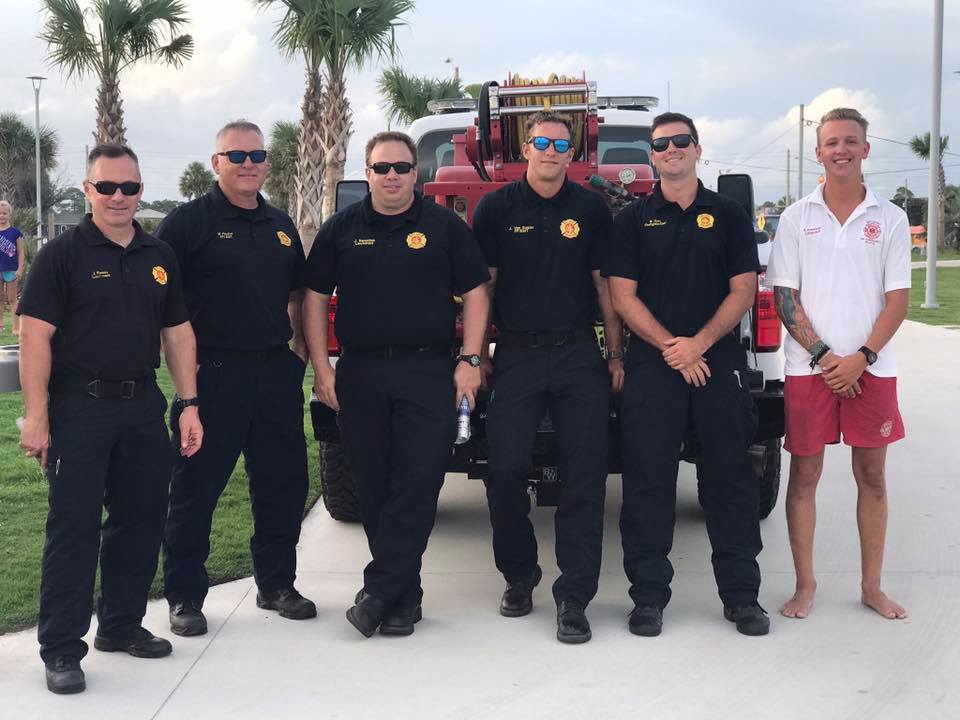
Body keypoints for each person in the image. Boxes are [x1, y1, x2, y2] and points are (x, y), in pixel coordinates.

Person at [17, 144, 203, 695]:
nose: (119, 197)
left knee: (142, 520)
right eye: (107, 188)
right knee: (73, 528)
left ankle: (120, 626)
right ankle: (61, 649)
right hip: (80, 408)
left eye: (130, 188)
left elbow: (178, 334)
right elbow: (33, 335)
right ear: (87, 190)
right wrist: (37, 416)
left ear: (141, 190)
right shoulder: (63, 254)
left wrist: (189, 403)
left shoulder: (159, 253)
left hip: (142, 406)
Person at [303, 131, 490, 637]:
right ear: (367, 172)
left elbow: (476, 292)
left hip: (428, 371)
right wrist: (323, 368)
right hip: (360, 372)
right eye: (382, 167)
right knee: (373, 484)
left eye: (402, 167)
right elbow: (315, 298)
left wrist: (470, 358)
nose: (392, 176)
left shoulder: (443, 226)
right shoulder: (341, 229)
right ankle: (404, 597)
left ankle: (380, 590)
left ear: (416, 174)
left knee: (419, 480)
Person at [605, 112, 769, 637]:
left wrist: (698, 344)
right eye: (661, 144)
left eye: (681, 141)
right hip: (654, 365)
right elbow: (621, 296)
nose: (671, 149)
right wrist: (671, 348)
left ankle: (742, 597)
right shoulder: (630, 221)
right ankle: (648, 597)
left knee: (729, 479)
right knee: (649, 482)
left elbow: (742, 289)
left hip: (716, 362)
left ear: (698, 149)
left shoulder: (727, 216)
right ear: (651, 156)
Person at [158, 120, 315, 637]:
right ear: (216, 162)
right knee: (195, 491)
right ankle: (184, 596)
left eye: (257, 155)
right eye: (236, 155)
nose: (248, 163)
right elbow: (163, 305)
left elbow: (297, 295)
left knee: (282, 486)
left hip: (274, 375)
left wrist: (297, 355)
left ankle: (276, 585)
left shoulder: (279, 223)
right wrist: (188, 388)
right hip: (212, 377)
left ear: (267, 162)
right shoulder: (187, 223)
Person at [471, 111, 623, 644]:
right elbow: (481, 288)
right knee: (505, 470)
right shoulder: (495, 208)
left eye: (562, 143)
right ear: (525, 146)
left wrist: (616, 352)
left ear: (573, 150)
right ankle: (519, 575)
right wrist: (476, 354)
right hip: (515, 355)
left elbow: (604, 287)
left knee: (585, 476)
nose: (552, 150)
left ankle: (574, 595)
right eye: (542, 141)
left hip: (579, 354)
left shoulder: (591, 208)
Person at [767, 107, 910, 621]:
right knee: (804, 477)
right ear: (818, 152)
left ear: (866, 149)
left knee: (871, 476)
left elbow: (897, 300)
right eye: (831, 143)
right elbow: (785, 296)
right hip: (811, 371)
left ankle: (872, 586)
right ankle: (806, 586)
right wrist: (828, 358)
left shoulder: (890, 218)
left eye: (851, 141)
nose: (841, 150)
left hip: (873, 368)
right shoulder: (795, 217)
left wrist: (863, 358)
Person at [0, 200, 25, 334]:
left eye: (4, 213)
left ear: (9, 214)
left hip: (11, 270)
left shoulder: (15, 232)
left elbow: (21, 252)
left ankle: (16, 328)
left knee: (12, 299)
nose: (2, 216)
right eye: (0, 213)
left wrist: (20, 269)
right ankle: (1, 326)